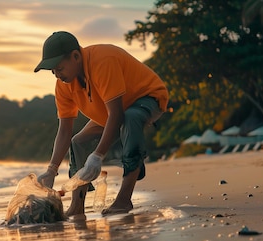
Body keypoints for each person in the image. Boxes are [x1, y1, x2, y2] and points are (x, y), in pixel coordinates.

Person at [34, 31, 169, 217]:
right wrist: (51, 170)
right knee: (78, 141)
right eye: (53, 71)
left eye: (59, 68)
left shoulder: (103, 61)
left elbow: (117, 114)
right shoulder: (64, 85)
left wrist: (97, 155)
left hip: (147, 98)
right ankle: (77, 206)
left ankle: (124, 198)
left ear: (75, 56)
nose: (57, 75)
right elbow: (64, 131)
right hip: (111, 113)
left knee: (130, 118)